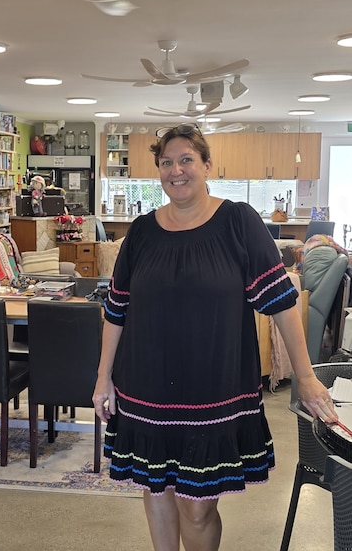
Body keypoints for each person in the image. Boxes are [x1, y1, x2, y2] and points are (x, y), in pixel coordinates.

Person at [91, 123, 337, 551]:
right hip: (146, 387)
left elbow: (281, 301)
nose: (176, 170)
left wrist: (307, 375)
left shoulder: (238, 222)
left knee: (198, 507)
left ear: (206, 165)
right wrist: (102, 377)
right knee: (154, 489)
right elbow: (117, 310)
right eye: (166, 162)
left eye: (186, 159)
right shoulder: (142, 232)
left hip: (214, 390)